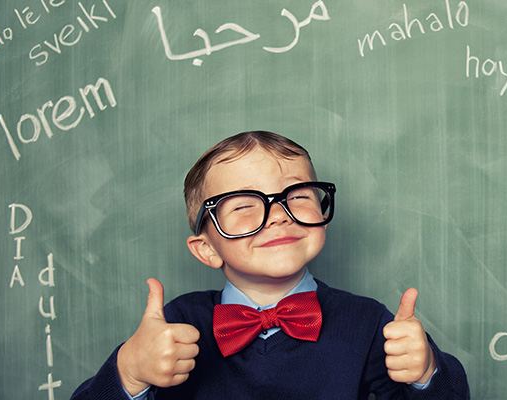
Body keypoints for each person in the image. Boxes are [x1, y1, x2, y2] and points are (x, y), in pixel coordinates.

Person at [72, 131, 469, 399]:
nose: (279, 215)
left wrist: (427, 374)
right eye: (245, 204)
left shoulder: (366, 322)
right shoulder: (176, 325)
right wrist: (129, 372)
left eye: (296, 195)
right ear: (207, 249)